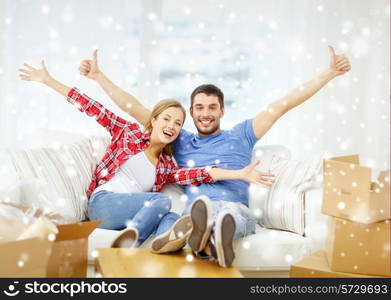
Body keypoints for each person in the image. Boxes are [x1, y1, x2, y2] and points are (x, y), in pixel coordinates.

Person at [78, 46, 351, 267]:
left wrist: (327, 75)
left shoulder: (242, 135)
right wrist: (99, 77)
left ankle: (212, 239)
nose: (205, 113)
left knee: (228, 214)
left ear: (222, 111)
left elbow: (282, 105)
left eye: (212, 107)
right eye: (199, 108)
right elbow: (134, 107)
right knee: (174, 221)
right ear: (192, 112)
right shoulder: (181, 140)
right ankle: (199, 244)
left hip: (234, 210)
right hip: (192, 214)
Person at [18, 60, 274, 249]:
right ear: (154, 120)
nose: (171, 126)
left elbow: (203, 173)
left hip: (131, 211)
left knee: (174, 217)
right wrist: (49, 80)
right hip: (104, 203)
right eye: (166, 119)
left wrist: (240, 173)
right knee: (161, 203)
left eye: (177, 123)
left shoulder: (166, 166)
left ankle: (166, 246)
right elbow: (90, 105)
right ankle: (129, 243)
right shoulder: (126, 132)